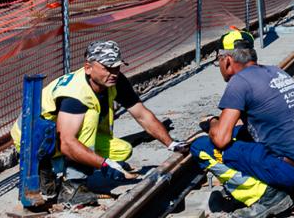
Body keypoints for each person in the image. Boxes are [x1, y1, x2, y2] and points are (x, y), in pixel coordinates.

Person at [11, 40, 185, 207]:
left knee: (122, 150)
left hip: (56, 137)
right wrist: (103, 164)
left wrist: (171, 144)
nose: (113, 73)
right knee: (90, 115)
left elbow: (142, 115)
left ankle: (53, 170)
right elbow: (67, 143)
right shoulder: (76, 94)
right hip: (34, 141)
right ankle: (72, 186)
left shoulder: (115, 81)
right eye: (107, 68)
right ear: (88, 68)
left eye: (116, 67)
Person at [190, 30, 294, 218]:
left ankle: (266, 196)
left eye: (218, 60)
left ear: (227, 60)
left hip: (288, 171)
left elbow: (220, 138)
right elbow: (256, 119)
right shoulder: (276, 72)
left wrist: (211, 122)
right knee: (238, 132)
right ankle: (290, 189)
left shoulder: (239, 82)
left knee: (202, 146)